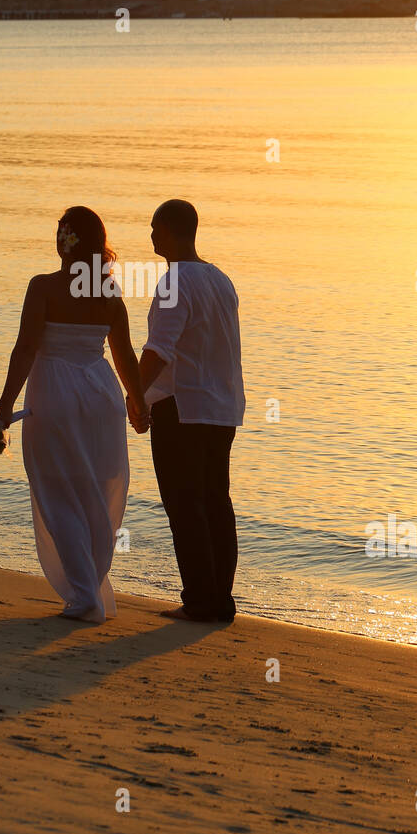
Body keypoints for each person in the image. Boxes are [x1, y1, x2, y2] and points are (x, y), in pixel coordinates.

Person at [0, 207, 148, 623]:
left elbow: (25, 348)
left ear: (66, 240)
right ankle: (89, 588)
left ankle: (85, 597)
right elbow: (125, 356)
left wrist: (6, 408)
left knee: (56, 490)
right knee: (94, 492)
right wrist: (137, 401)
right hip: (102, 396)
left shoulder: (43, 287)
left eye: (59, 231)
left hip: (57, 394)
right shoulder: (110, 294)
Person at [130, 200, 245, 622]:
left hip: (184, 406)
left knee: (184, 504)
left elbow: (159, 351)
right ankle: (219, 597)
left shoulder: (174, 282)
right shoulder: (220, 279)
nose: (151, 236)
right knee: (216, 500)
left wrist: (134, 395)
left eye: (155, 228)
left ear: (173, 231)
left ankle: (201, 597)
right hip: (222, 406)